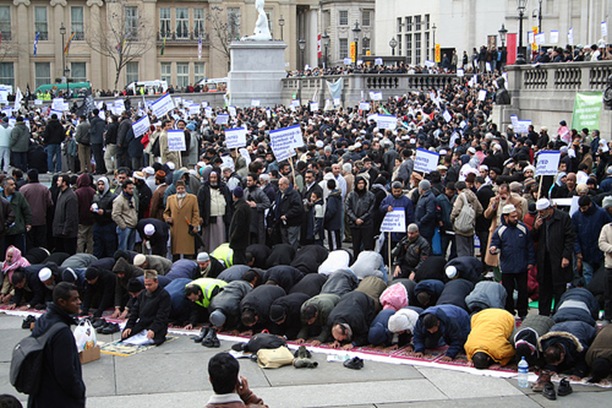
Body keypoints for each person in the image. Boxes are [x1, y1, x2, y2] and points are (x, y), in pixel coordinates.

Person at [28, 282, 86, 408]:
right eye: (74, 299)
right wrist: (79, 391)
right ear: (62, 302)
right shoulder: (62, 333)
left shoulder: (44, 319)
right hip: (59, 398)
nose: (79, 302)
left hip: (41, 394)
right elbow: (65, 373)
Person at [489, 204, 535, 320]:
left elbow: (530, 246)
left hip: (522, 266)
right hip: (507, 267)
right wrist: (493, 249)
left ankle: (523, 312)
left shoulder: (523, 228)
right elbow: (494, 244)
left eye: (516, 216)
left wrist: (530, 261)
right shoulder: (500, 231)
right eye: (513, 216)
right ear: (505, 217)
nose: (515, 218)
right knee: (508, 292)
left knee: (523, 291)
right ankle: (509, 313)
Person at [532, 198, 576, 316]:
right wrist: (535, 228)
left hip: (558, 257)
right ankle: (543, 313)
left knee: (559, 287)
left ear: (549, 209)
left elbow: (570, 238)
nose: (540, 214)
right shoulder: (540, 220)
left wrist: (566, 256)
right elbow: (534, 238)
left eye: (542, 212)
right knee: (544, 287)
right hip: (544, 259)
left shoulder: (563, 218)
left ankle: (558, 313)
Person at [121, 269, 171, 345]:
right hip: (143, 324)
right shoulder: (143, 294)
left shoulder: (164, 295)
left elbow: (162, 316)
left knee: (152, 339)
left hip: (156, 325)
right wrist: (129, 326)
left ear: (156, 282)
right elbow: (135, 312)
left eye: (150, 285)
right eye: (145, 285)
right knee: (126, 336)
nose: (147, 287)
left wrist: (153, 329)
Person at [572, 195, 609, 286]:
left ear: (590, 204)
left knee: (601, 276)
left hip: (600, 252)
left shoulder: (602, 213)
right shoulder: (576, 216)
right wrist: (578, 251)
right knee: (587, 275)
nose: (582, 210)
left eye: (584, 208)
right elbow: (574, 235)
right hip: (585, 252)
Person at [164, 180, 200, 260]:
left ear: (185, 188)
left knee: (188, 253)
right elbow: (166, 212)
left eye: (182, 188)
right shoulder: (170, 199)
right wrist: (167, 218)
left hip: (187, 228)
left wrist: (195, 225)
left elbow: (196, 213)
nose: (180, 190)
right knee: (175, 253)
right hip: (175, 229)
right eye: (179, 188)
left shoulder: (192, 198)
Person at [19, 169, 52, 249]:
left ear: (28, 177)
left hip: (28, 221)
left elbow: (20, 205)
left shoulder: (23, 189)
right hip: (41, 220)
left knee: (29, 243)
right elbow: (49, 203)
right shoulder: (45, 189)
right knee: (41, 242)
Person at [345, 175, 376, 258]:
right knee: (356, 246)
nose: (361, 185)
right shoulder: (351, 195)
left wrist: (362, 219)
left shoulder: (370, 195)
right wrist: (355, 219)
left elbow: (371, 210)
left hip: (367, 224)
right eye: (359, 183)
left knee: (367, 246)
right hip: (354, 224)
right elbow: (348, 208)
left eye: (362, 183)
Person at [450, 181, 483, 257]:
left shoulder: (461, 196)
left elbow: (456, 210)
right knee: (470, 249)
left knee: (462, 249)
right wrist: (472, 217)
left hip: (460, 227)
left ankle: (464, 266)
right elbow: (480, 209)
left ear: (457, 189)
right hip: (470, 226)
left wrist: (452, 219)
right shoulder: (473, 195)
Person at [2, 177, 31, 254]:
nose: (14, 186)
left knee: (19, 253)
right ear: (5, 186)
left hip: (17, 230)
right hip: (4, 231)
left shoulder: (19, 196)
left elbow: (26, 210)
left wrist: (28, 223)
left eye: (14, 184)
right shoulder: (1, 197)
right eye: (11, 185)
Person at [273, 177, 303, 248]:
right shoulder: (279, 194)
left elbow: (298, 208)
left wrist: (287, 215)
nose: (279, 187)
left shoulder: (294, 194)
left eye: (281, 185)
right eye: (279, 185)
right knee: (285, 241)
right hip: (282, 222)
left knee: (292, 241)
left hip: (292, 222)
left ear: (287, 185)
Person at [52, 174, 79, 255]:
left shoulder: (71, 196)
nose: (57, 182)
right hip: (59, 231)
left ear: (64, 183)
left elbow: (71, 216)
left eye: (59, 181)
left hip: (67, 234)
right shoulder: (61, 193)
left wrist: (65, 231)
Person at [91, 177, 118, 258]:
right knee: (98, 248)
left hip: (108, 225)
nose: (100, 186)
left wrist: (105, 212)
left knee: (110, 247)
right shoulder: (96, 196)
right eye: (99, 184)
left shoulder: (113, 197)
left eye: (102, 184)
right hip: (98, 224)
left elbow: (115, 211)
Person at [112, 179, 138, 251]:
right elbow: (115, 215)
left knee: (131, 249)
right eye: (129, 188)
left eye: (132, 188)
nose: (132, 190)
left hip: (132, 226)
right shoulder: (119, 200)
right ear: (124, 189)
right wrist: (123, 226)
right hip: (125, 228)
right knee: (123, 249)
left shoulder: (132, 198)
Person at [244, 173, 271, 245]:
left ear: (255, 181)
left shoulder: (259, 192)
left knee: (258, 239)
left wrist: (257, 205)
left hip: (257, 219)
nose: (248, 182)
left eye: (250, 180)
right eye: (247, 180)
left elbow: (268, 203)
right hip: (248, 219)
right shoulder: (245, 191)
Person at [229, 187, 251, 265]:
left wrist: (233, 237)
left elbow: (239, 226)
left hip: (238, 241)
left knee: (238, 260)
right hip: (243, 240)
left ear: (234, 196)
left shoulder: (240, 208)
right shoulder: (245, 206)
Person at [75, 173, 96, 254]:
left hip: (81, 220)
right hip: (92, 219)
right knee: (90, 239)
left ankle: (80, 255)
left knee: (80, 239)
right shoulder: (93, 191)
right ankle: (90, 255)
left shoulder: (77, 192)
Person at [598, 211, 612, 321]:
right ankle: (608, 317)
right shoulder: (606, 228)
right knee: (608, 295)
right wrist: (611, 249)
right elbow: (601, 243)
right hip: (609, 267)